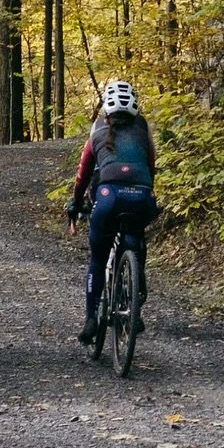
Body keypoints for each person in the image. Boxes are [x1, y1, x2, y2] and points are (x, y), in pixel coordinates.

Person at [66, 79, 158, 344]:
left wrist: (75, 202)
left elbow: (83, 175)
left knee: (98, 257)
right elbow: (150, 166)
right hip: (141, 195)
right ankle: (134, 300)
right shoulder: (143, 128)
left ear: (106, 107)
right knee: (135, 240)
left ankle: (91, 318)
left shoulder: (96, 131)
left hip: (107, 198)